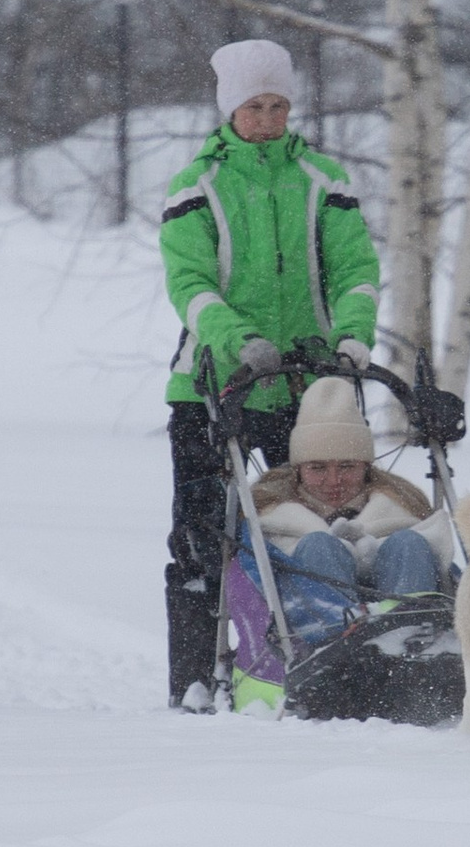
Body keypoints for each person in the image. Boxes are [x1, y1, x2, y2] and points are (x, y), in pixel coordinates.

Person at [158, 38, 382, 708]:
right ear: (232, 109)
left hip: (309, 383)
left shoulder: (323, 179)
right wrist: (238, 340)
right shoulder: (196, 187)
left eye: (279, 105)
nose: (268, 118)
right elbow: (189, 283)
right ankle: (196, 679)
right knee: (205, 532)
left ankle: (333, 643)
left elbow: (356, 269)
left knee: (327, 516)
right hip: (215, 384)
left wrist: (351, 338)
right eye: (255, 106)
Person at [248, 377, 454, 639]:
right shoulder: (273, 516)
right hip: (318, 643)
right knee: (318, 546)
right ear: (298, 471)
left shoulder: (402, 507)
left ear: (366, 468)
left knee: (409, 543)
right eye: (317, 468)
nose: (334, 481)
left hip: (405, 634)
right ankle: (339, 636)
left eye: (347, 467)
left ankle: (410, 631)